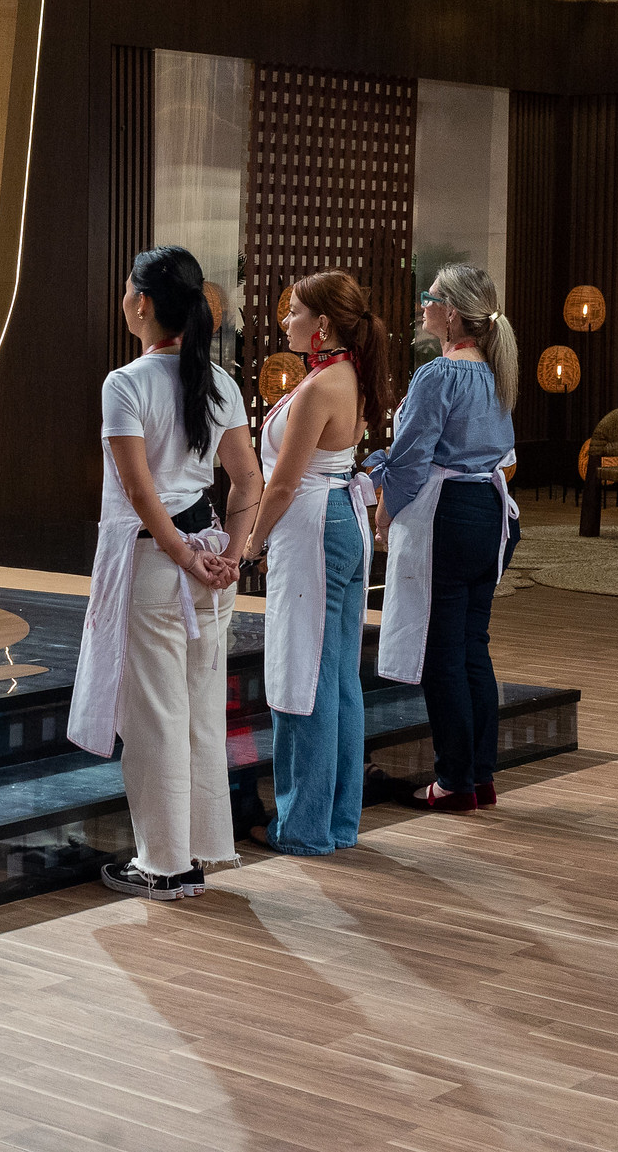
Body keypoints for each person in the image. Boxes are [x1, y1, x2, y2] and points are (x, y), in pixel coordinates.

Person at [69, 247, 263, 901]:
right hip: (209, 562)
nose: (125, 297)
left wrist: (183, 554)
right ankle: (198, 851)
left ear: (143, 303)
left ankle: (164, 865)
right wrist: (233, 554)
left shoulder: (125, 383)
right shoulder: (220, 382)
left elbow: (137, 491)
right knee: (201, 713)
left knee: (155, 718)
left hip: (161, 564)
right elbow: (247, 480)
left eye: (129, 288)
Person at [241, 271, 390, 855]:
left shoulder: (321, 386)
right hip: (343, 522)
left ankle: (303, 828)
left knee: (304, 674)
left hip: (314, 526)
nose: (285, 321)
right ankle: (337, 822)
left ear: (322, 324)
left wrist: (251, 545)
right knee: (340, 677)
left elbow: (281, 485)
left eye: (295, 311)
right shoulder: (347, 375)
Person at [365, 264, 519, 814]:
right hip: (489, 512)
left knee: (442, 654)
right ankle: (479, 776)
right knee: (473, 646)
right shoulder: (496, 371)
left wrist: (384, 514)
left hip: (447, 514)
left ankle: (454, 781)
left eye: (428, 296)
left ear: (451, 312)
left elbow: (410, 462)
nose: (421, 304)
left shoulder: (438, 374)